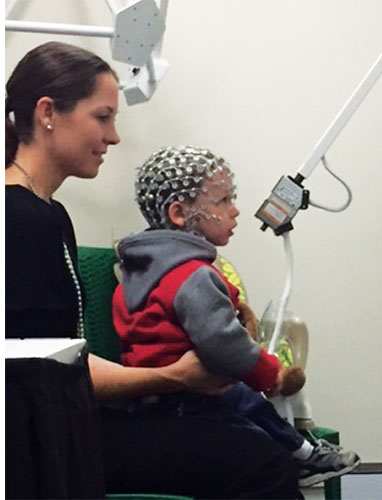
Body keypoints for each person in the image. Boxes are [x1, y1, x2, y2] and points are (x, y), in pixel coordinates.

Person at [5, 41, 301, 499]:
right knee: (262, 464)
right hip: (35, 441)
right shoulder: (19, 219)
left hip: (65, 420)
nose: (114, 137)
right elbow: (35, 373)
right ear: (48, 112)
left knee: (252, 446)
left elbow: (64, 357)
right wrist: (173, 377)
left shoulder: (48, 214)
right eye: (102, 117)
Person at [112, 144, 361, 487]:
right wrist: (268, 374)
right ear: (179, 213)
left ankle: (298, 454)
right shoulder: (192, 275)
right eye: (223, 201)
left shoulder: (139, 272)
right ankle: (303, 456)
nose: (236, 211)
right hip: (192, 399)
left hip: (151, 404)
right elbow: (223, 342)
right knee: (251, 409)